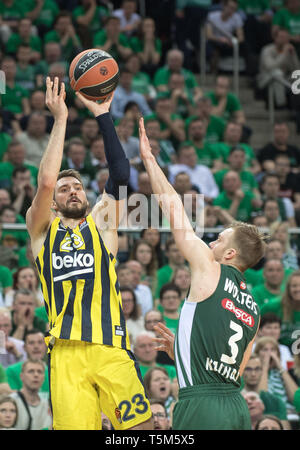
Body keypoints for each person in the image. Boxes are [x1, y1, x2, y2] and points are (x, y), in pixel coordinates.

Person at [25, 77, 152, 430]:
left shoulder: (102, 224)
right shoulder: (41, 232)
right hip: (65, 353)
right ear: (53, 202)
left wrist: (103, 115)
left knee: (141, 429)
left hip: (110, 348)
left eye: (78, 185)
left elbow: (121, 175)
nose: (73, 191)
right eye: (65, 189)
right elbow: (46, 182)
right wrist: (61, 119)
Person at [139, 116, 267, 430]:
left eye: (219, 239)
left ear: (231, 254)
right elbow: (234, 371)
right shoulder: (254, 309)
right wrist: (185, 351)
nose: (211, 241)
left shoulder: (209, 268)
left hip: (202, 404)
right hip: (235, 407)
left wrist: (149, 160)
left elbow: (174, 210)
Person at [253, 336, 299, 420]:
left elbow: (296, 397)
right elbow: (263, 397)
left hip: (291, 416)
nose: (269, 353)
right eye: (265, 349)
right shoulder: (253, 372)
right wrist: (265, 367)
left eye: (273, 350)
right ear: (257, 353)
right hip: (268, 416)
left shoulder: (284, 373)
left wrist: (280, 366)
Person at [242, 354, 290, 429]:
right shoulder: (233, 400)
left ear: (263, 371)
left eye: (257, 369)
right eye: (248, 369)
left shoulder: (276, 401)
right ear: (241, 371)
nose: (253, 374)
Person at [260, 270, 300, 350]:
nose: (298, 289)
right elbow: (255, 326)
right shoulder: (272, 306)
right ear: (288, 289)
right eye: (294, 286)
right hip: (276, 349)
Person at [10, 359, 52, 430]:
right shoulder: (11, 402)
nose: (36, 375)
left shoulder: (48, 405)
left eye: (40, 372)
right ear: (21, 376)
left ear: (44, 378)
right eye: (31, 371)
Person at [5, 329, 49, 398]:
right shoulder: (11, 371)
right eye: (31, 343)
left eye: (40, 342)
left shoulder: (53, 372)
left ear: (46, 345)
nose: (36, 346)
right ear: (24, 347)